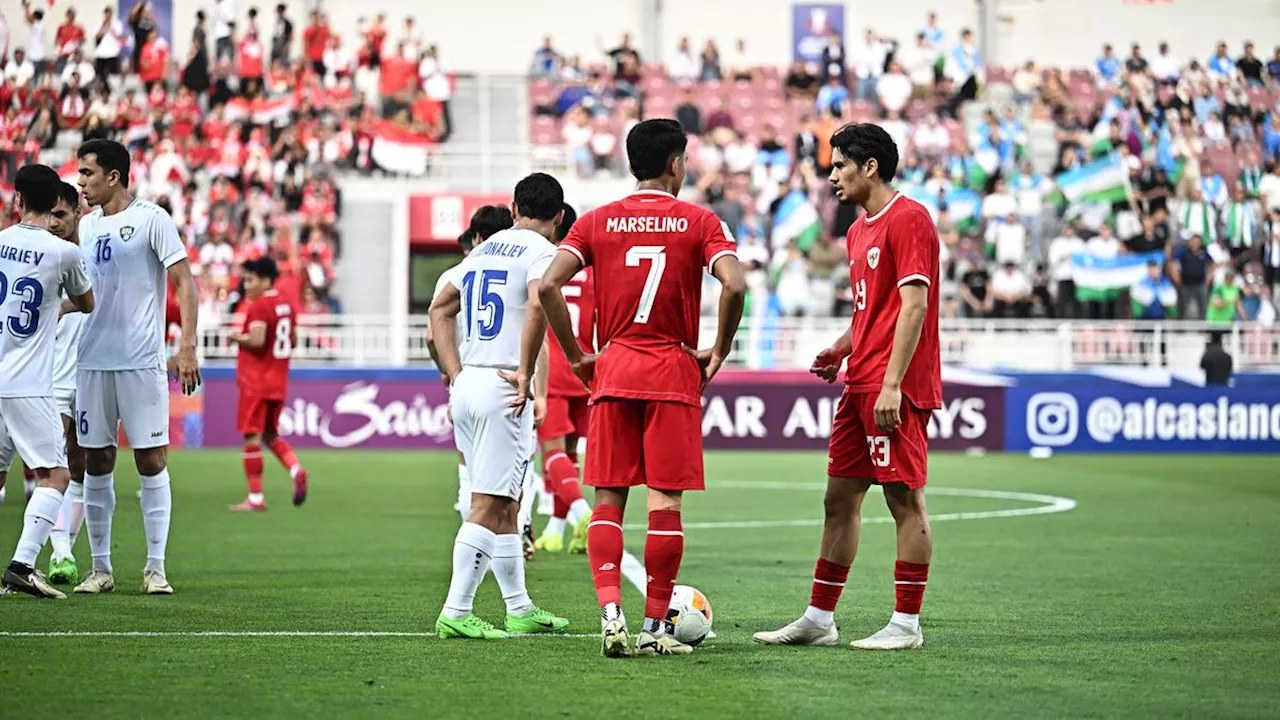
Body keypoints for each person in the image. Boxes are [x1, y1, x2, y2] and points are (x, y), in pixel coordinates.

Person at [539, 118, 747, 657]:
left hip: (614, 369)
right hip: (673, 373)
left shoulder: (595, 223)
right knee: (665, 504)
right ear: (676, 162)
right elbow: (735, 284)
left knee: (608, 500)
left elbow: (548, 285)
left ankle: (611, 615)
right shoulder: (701, 221)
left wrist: (577, 355)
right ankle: (655, 629)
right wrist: (720, 347)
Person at [755, 122, 941, 651]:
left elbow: (915, 307)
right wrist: (843, 347)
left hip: (892, 389)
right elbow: (873, 312)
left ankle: (906, 625)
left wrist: (892, 385)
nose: (832, 174)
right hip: (861, 381)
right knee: (839, 499)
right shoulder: (859, 231)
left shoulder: (910, 219)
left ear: (870, 167)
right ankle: (819, 618)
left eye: (839, 165)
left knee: (905, 500)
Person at [429, 174, 570, 640]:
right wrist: (527, 371)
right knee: (488, 504)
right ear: (560, 217)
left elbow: (438, 312)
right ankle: (456, 608)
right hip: (503, 386)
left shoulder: (481, 251)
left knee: (508, 503)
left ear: (513, 209)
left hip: (471, 382)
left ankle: (520, 608)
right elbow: (538, 303)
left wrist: (456, 373)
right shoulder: (542, 252)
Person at [70, 139, 200, 596]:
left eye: (87, 174)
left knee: (151, 459)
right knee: (96, 460)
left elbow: (185, 280)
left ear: (114, 176)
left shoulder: (152, 219)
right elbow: (83, 294)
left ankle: (155, 568)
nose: (80, 183)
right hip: (91, 360)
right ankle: (100, 569)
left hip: (141, 361)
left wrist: (187, 346)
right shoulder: (84, 228)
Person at [0, 164, 95, 599]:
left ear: (18, 200)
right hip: (28, 382)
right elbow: (87, 301)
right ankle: (22, 565)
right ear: (52, 203)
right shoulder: (62, 252)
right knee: (56, 474)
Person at [426, 205, 514, 522]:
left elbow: (432, 335)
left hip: (467, 378)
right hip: (507, 378)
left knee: (470, 471)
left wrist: (451, 374)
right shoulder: (518, 268)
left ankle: (474, 542)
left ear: (476, 236)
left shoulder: (455, 275)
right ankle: (505, 542)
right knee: (510, 477)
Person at [534, 202, 594, 555]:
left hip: (552, 369)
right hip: (584, 366)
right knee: (569, 456)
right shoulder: (591, 270)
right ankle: (558, 530)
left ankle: (582, 515)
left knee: (552, 453)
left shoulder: (545, 264)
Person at [227, 257, 308, 512]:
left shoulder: (260, 306)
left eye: (251, 280)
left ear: (265, 280)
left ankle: (255, 498)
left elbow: (258, 340)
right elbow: (292, 341)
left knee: (252, 436)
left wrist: (236, 337)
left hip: (256, 382)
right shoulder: (287, 306)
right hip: (279, 380)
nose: (246, 285)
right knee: (271, 434)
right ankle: (296, 469)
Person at [45, 181, 91, 585]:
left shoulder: (96, 245)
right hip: (53, 373)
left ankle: (62, 552)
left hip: (94, 370)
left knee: (81, 464)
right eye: (50, 215)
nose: (54, 222)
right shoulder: (43, 254)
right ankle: (46, 552)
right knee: (51, 464)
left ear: (78, 211)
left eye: (61, 214)